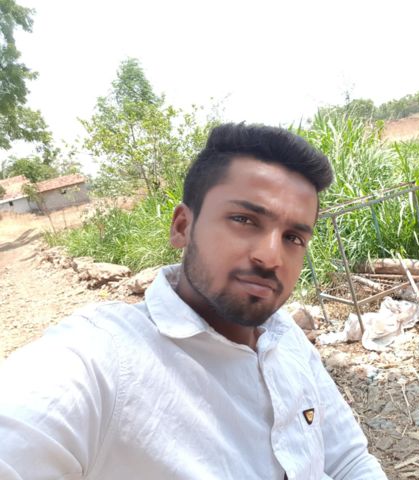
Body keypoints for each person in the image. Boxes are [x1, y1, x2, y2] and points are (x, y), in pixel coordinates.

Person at [0, 123, 387, 480]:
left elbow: (348, 461)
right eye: (244, 220)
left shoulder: (285, 339)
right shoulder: (103, 361)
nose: (271, 257)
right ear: (182, 226)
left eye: (293, 238)